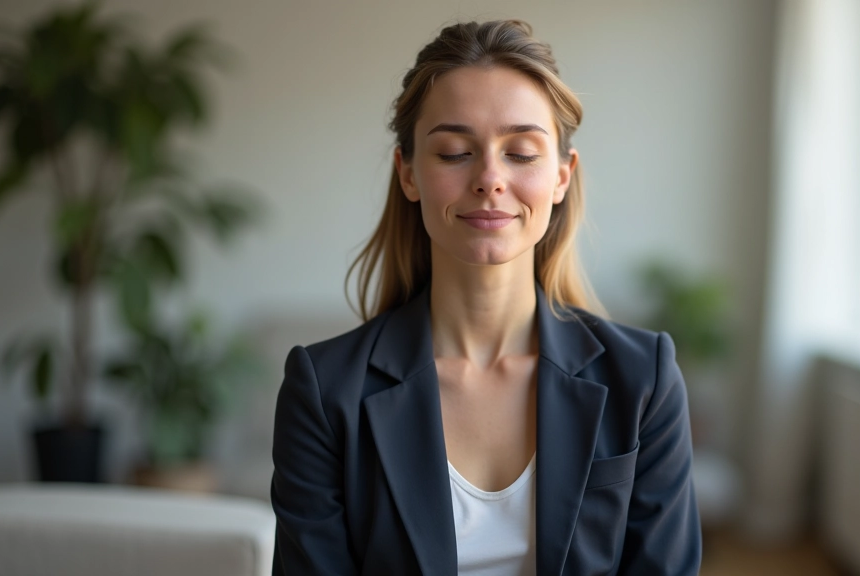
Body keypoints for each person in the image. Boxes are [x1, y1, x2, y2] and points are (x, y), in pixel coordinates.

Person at [270, 19, 701, 576]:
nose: (490, 178)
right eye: (454, 152)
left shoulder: (644, 380)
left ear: (562, 178)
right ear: (408, 174)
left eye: (521, 153)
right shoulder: (324, 391)